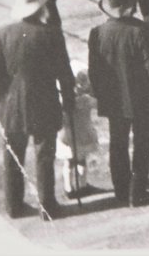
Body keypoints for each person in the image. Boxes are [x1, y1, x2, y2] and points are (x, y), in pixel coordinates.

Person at [0, 0, 76, 220]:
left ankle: (13, 206)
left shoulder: (4, 33)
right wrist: (69, 101)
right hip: (44, 101)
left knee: (12, 156)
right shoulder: (52, 34)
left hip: (12, 105)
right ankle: (47, 205)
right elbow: (65, 74)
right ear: (41, 8)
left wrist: (1, 101)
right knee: (44, 154)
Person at [87, 0, 149, 207]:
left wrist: (100, 95)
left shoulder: (97, 33)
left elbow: (94, 71)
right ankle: (137, 190)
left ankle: (121, 191)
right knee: (145, 140)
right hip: (140, 99)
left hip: (113, 100)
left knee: (117, 143)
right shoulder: (139, 30)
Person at [57, 62, 98, 200]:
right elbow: (97, 104)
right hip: (83, 133)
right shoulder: (86, 99)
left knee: (69, 161)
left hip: (67, 134)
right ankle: (82, 186)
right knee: (81, 160)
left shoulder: (63, 99)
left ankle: (69, 189)